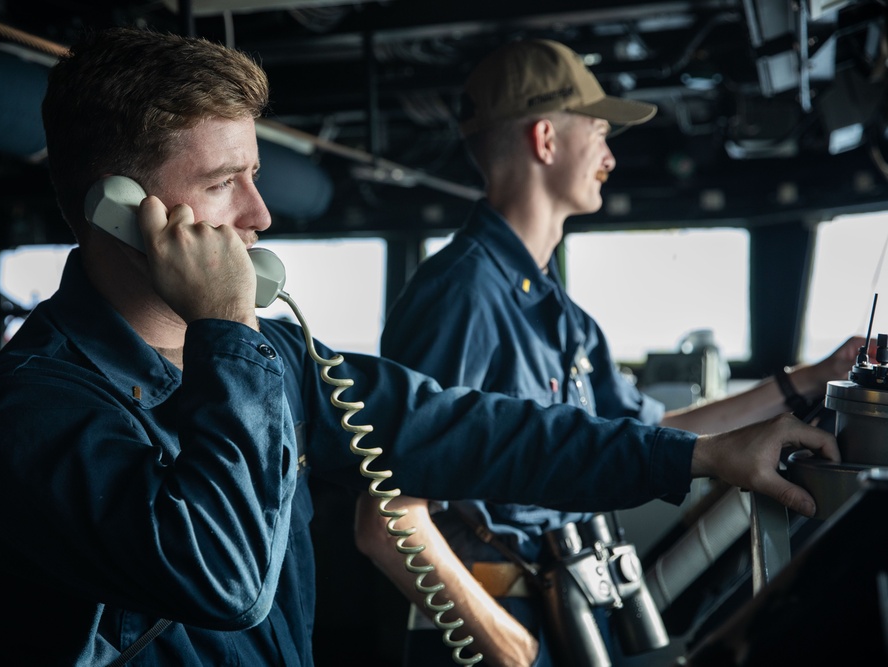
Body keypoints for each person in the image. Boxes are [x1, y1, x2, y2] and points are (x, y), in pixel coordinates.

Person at [0, 27, 839, 667]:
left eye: (256, 174)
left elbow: (477, 429)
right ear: (120, 205)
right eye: (225, 183)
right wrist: (228, 330)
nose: (260, 215)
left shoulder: (267, 361)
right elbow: (219, 576)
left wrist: (698, 454)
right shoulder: (26, 410)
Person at [354, 39, 865, 667]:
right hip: (491, 624)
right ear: (545, 140)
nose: (610, 156)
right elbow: (388, 518)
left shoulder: (559, 313)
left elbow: (655, 432)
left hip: (561, 606)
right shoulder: (459, 295)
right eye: (598, 132)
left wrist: (815, 379)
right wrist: (505, 645)